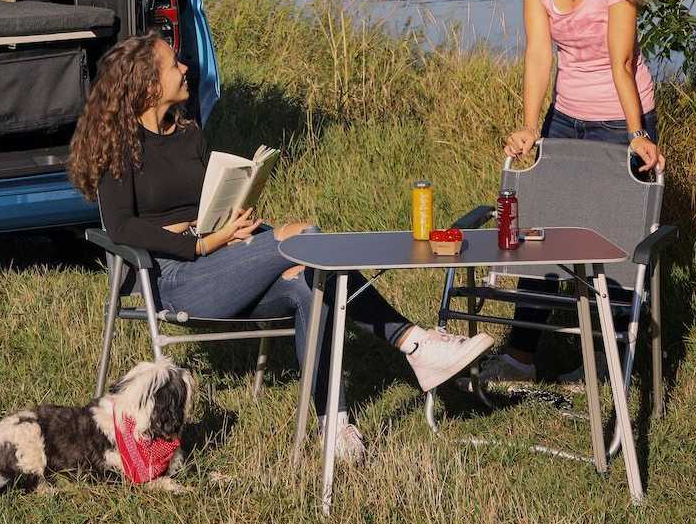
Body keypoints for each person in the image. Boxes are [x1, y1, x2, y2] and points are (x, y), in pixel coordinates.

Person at [69, 33, 493, 462]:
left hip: (224, 256)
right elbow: (122, 228)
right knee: (305, 236)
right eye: (173, 64)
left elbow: (205, 205)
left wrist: (234, 219)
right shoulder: (120, 147)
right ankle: (416, 344)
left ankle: (335, 425)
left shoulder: (188, 134)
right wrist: (202, 242)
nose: (185, 68)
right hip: (174, 276)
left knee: (311, 283)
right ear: (148, 84)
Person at [483, 0, 660, 383]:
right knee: (542, 232)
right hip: (565, 114)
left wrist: (636, 133)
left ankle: (608, 361)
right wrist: (529, 126)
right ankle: (521, 356)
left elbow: (621, 62)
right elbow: (539, 54)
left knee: (612, 237)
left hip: (619, 118)